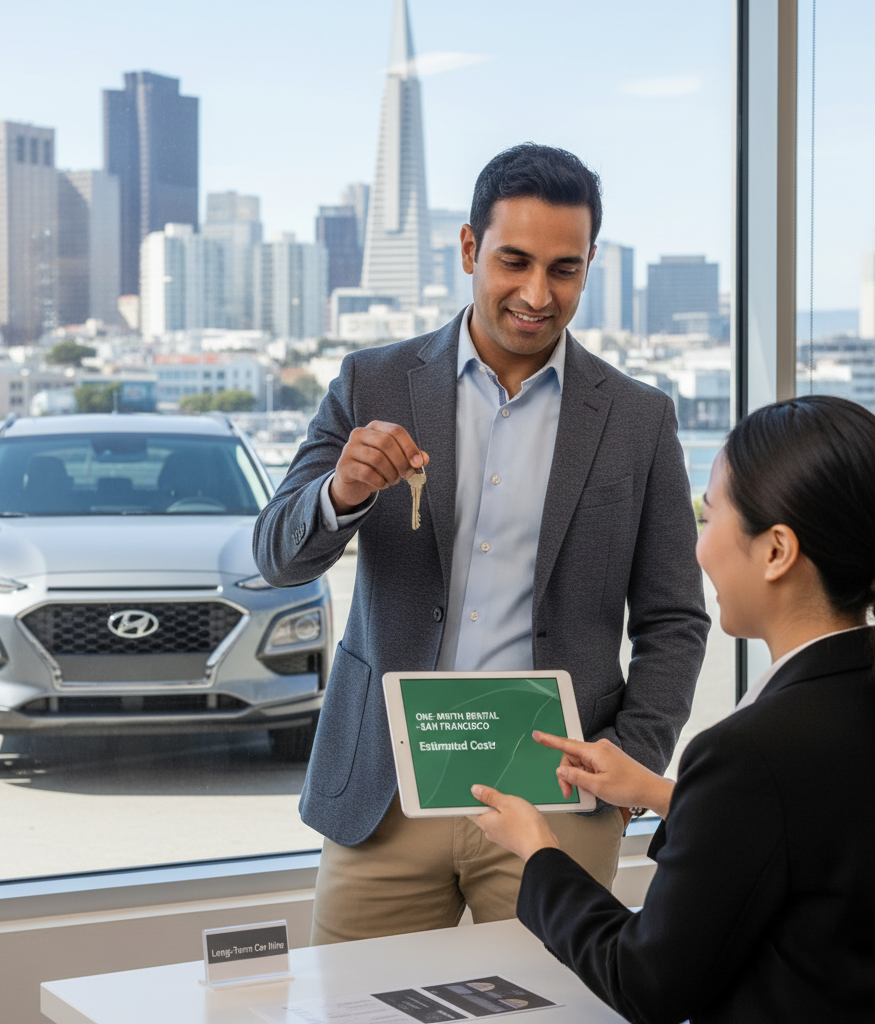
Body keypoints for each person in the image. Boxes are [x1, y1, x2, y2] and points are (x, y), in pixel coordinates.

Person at [252, 143, 709, 945]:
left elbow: (675, 619)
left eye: (564, 269)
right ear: (469, 249)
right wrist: (342, 492)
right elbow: (276, 554)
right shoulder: (373, 383)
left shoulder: (639, 420)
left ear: (591, 264)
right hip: (386, 797)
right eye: (514, 262)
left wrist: (625, 760)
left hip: (553, 804)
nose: (538, 294)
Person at [471, 394, 875, 1022]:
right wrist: (663, 793)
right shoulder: (833, 707)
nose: (698, 549)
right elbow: (814, 828)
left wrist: (540, 852)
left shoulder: (749, 752)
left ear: (776, 551)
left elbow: (645, 980)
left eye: (710, 519)